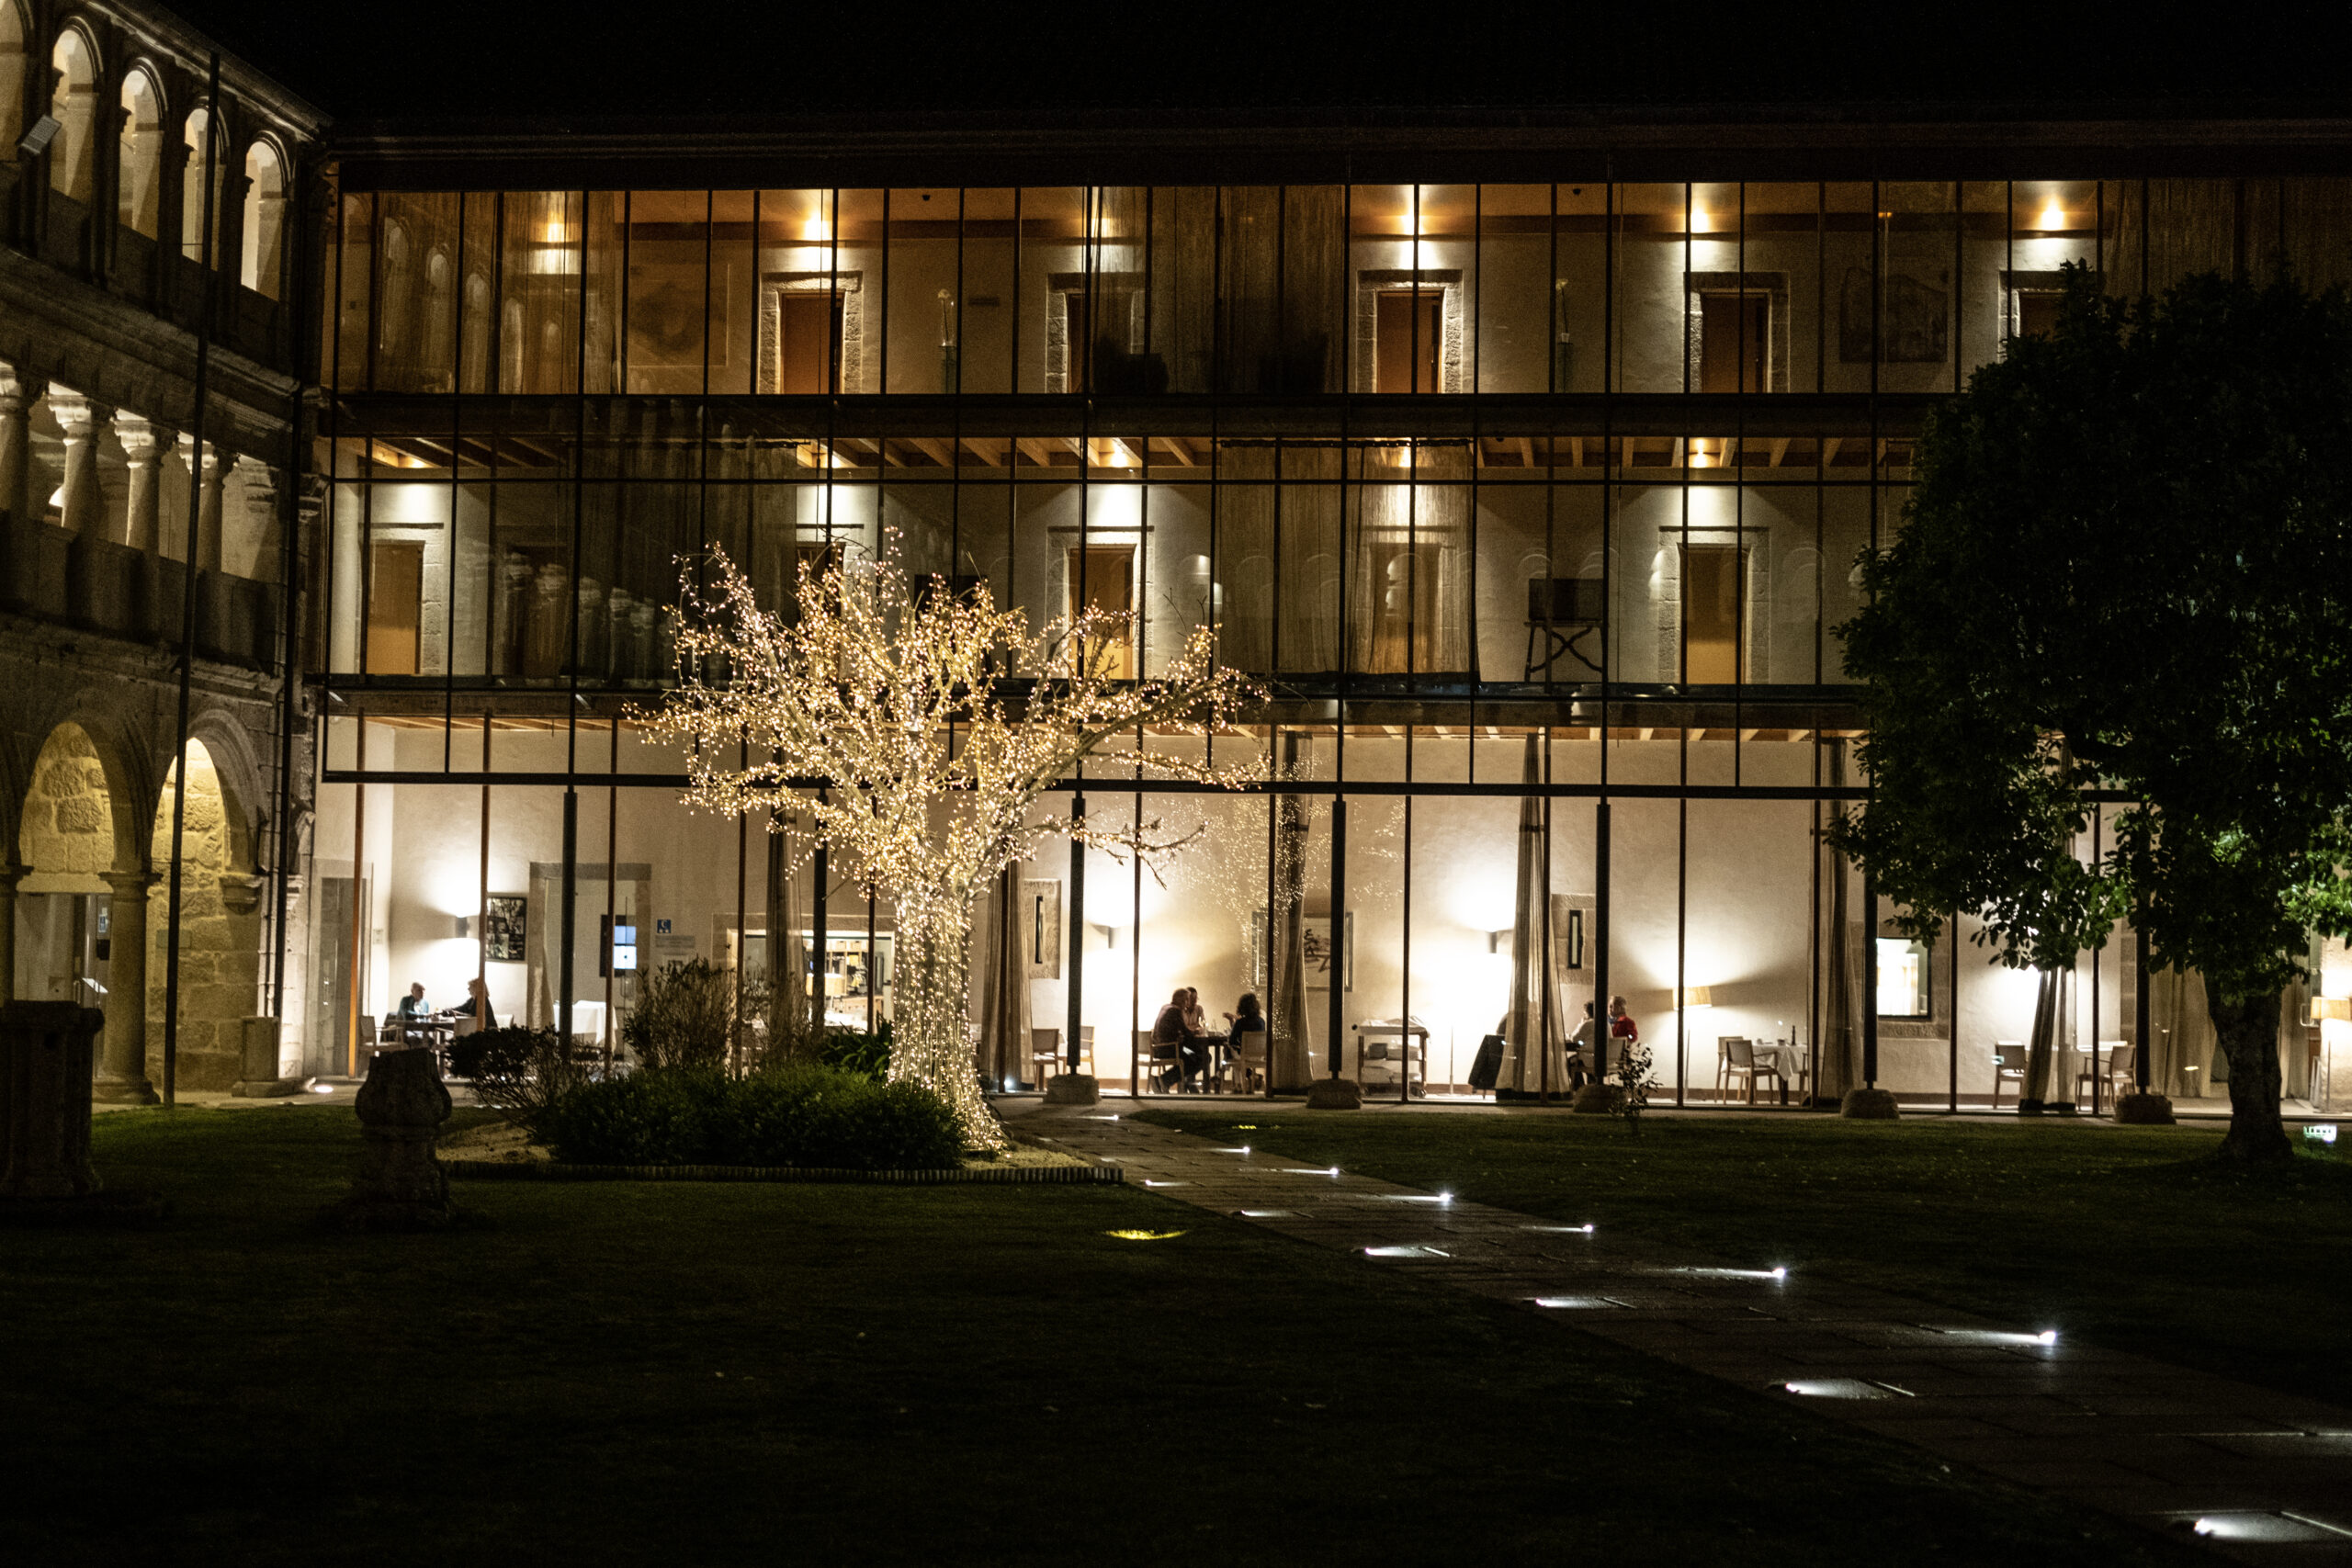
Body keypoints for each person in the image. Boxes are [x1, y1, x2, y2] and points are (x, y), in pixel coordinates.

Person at [1223, 993, 1267, 1092]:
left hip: (1244, 1055)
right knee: (1236, 1057)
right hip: (1259, 1055)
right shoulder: (1261, 1021)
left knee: (1229, 1051)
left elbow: (1232, 1040)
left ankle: (1238, 1085)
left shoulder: (1240, 1022)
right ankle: (1251, 1076)